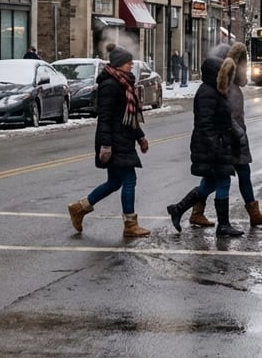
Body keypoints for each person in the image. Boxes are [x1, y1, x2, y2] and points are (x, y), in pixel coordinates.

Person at [186, 43, 262, 229]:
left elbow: (242, 80)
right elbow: (223, 116)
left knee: (239, 175)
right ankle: (191, 210)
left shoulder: (232, 82)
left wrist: (241, 58)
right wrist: (237, 134)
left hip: (235, 136)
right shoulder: (220, 86)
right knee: (217, 179)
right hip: (230, 138)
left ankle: (252, 213)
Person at [66, 45, 152, 237]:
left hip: (123, 139)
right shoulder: (110, 86)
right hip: (114, 141)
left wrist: (140, 136)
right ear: (120, 65)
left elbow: (127, 118)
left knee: (114, 182)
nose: (131, 66)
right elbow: (104, 118)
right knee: (129, 179)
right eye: (129, 63)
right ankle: (130, 224)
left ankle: (80, 208)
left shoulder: (123, 84)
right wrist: (106, 145)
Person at [166, 56, 245, 236]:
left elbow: (224, 120)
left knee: (209, 184)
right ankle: (223, 225)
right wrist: (216, 146)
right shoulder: (207, 93)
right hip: (211, 146)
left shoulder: (216, 91)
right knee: (223, 180)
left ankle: (178, 209)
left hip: (217, 144)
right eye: (224, 73)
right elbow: (205, 124)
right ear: (215, 74)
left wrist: (234, 139)